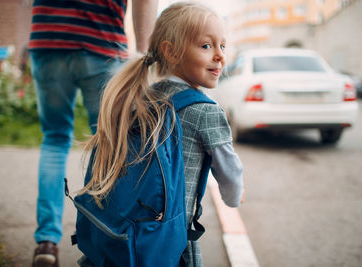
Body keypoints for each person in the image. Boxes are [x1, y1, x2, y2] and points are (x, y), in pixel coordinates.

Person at [81, 2, 245, 266]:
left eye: (222, 46)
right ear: (171, 52)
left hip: (126, 229)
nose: (219, 56)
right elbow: (230, 171)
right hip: (169, 238)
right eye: (206, 46)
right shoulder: (206, 112)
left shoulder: (143, 97)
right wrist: (234, 195)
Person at [28, 0, 158, 266]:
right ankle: (104, 240)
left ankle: (46, 243)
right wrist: (145, 55)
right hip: (101, 37)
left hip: (48, 34)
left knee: (54, 140)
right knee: (110, 140)